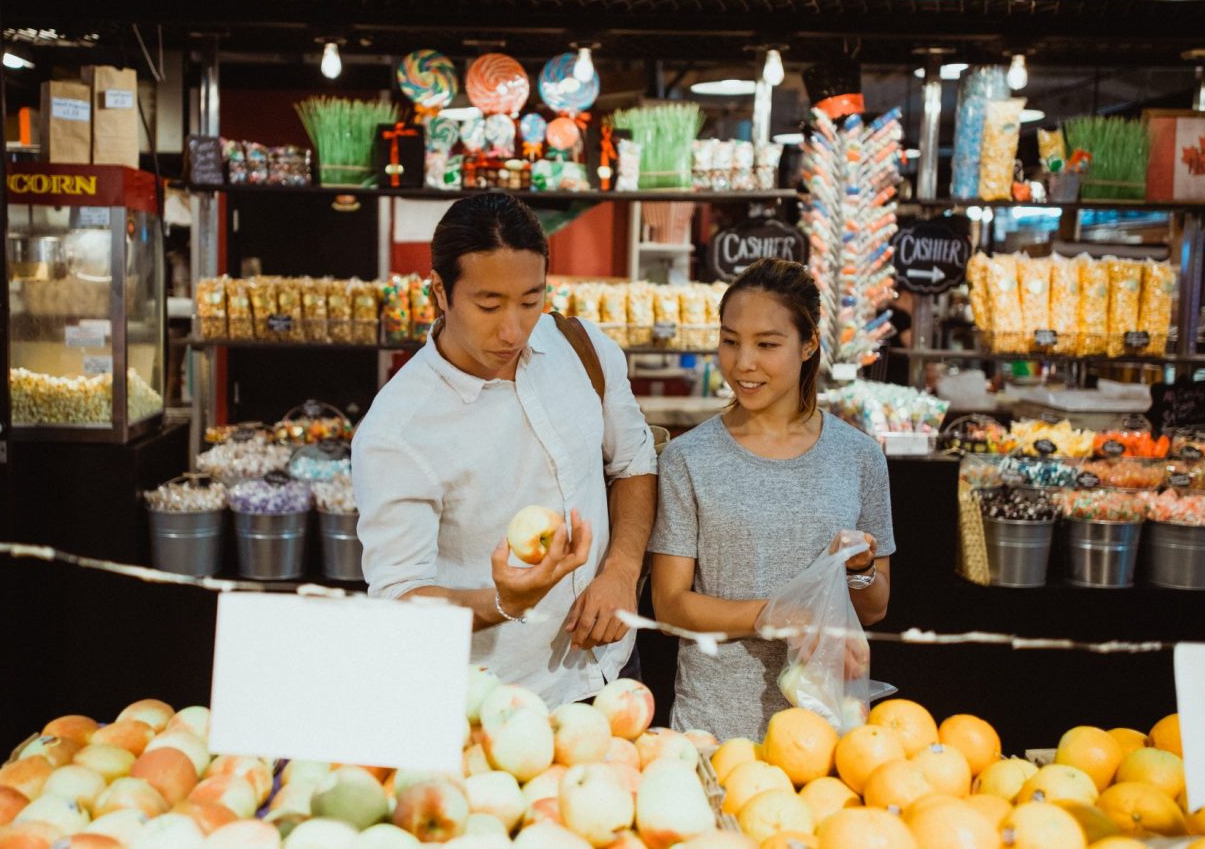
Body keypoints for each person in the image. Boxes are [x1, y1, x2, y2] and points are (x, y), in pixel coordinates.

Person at [353, 193, 658, 706]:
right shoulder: (397, 431)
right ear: (439, 293)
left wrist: (622, 570)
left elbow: (633, 462)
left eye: (531, 300)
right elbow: (399, 599)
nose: (512, 329)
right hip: (497, 700)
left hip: (614, 669)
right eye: (488, 305)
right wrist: (502, 601)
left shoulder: (580, 348)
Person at [647, 257, 894, 740]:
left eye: (767, 344)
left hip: (827, 733)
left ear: (808, 345)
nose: (743, 363)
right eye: (730, 340)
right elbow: (670, 607)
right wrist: (772, 616)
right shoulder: (687, 458)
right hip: (715, 730)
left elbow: (875, 609)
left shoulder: (859, 458)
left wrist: (859, 569)